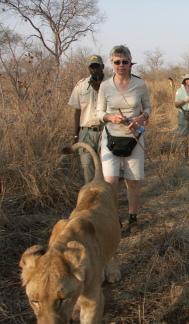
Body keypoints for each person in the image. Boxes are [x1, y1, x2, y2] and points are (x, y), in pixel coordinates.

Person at [97, 45, 151, 230]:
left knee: (132, 181)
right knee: (110, 182)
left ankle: (133, 218)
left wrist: (141, 118)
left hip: (134, 138)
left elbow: (148, 109)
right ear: (111, 63)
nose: (121, 65)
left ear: (130, 63)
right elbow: (99, 112)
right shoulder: (105, 86)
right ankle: (114, 218)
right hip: (111, 137)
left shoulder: (140, 84)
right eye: (117, 62)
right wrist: (110, 117)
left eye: (125, 62)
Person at [68, 54, 108, 184]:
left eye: (97, 66)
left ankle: (107, 199)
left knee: (106, 167)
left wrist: (99, 88)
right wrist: (75, 135)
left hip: (106, 130)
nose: (95, 70)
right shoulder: (81, 85)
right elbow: (77, 110)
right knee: (87, 166)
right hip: (87, 132)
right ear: (88, 69)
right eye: (92, 67)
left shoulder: (111, 84)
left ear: (103, 67)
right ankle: (92, 200)